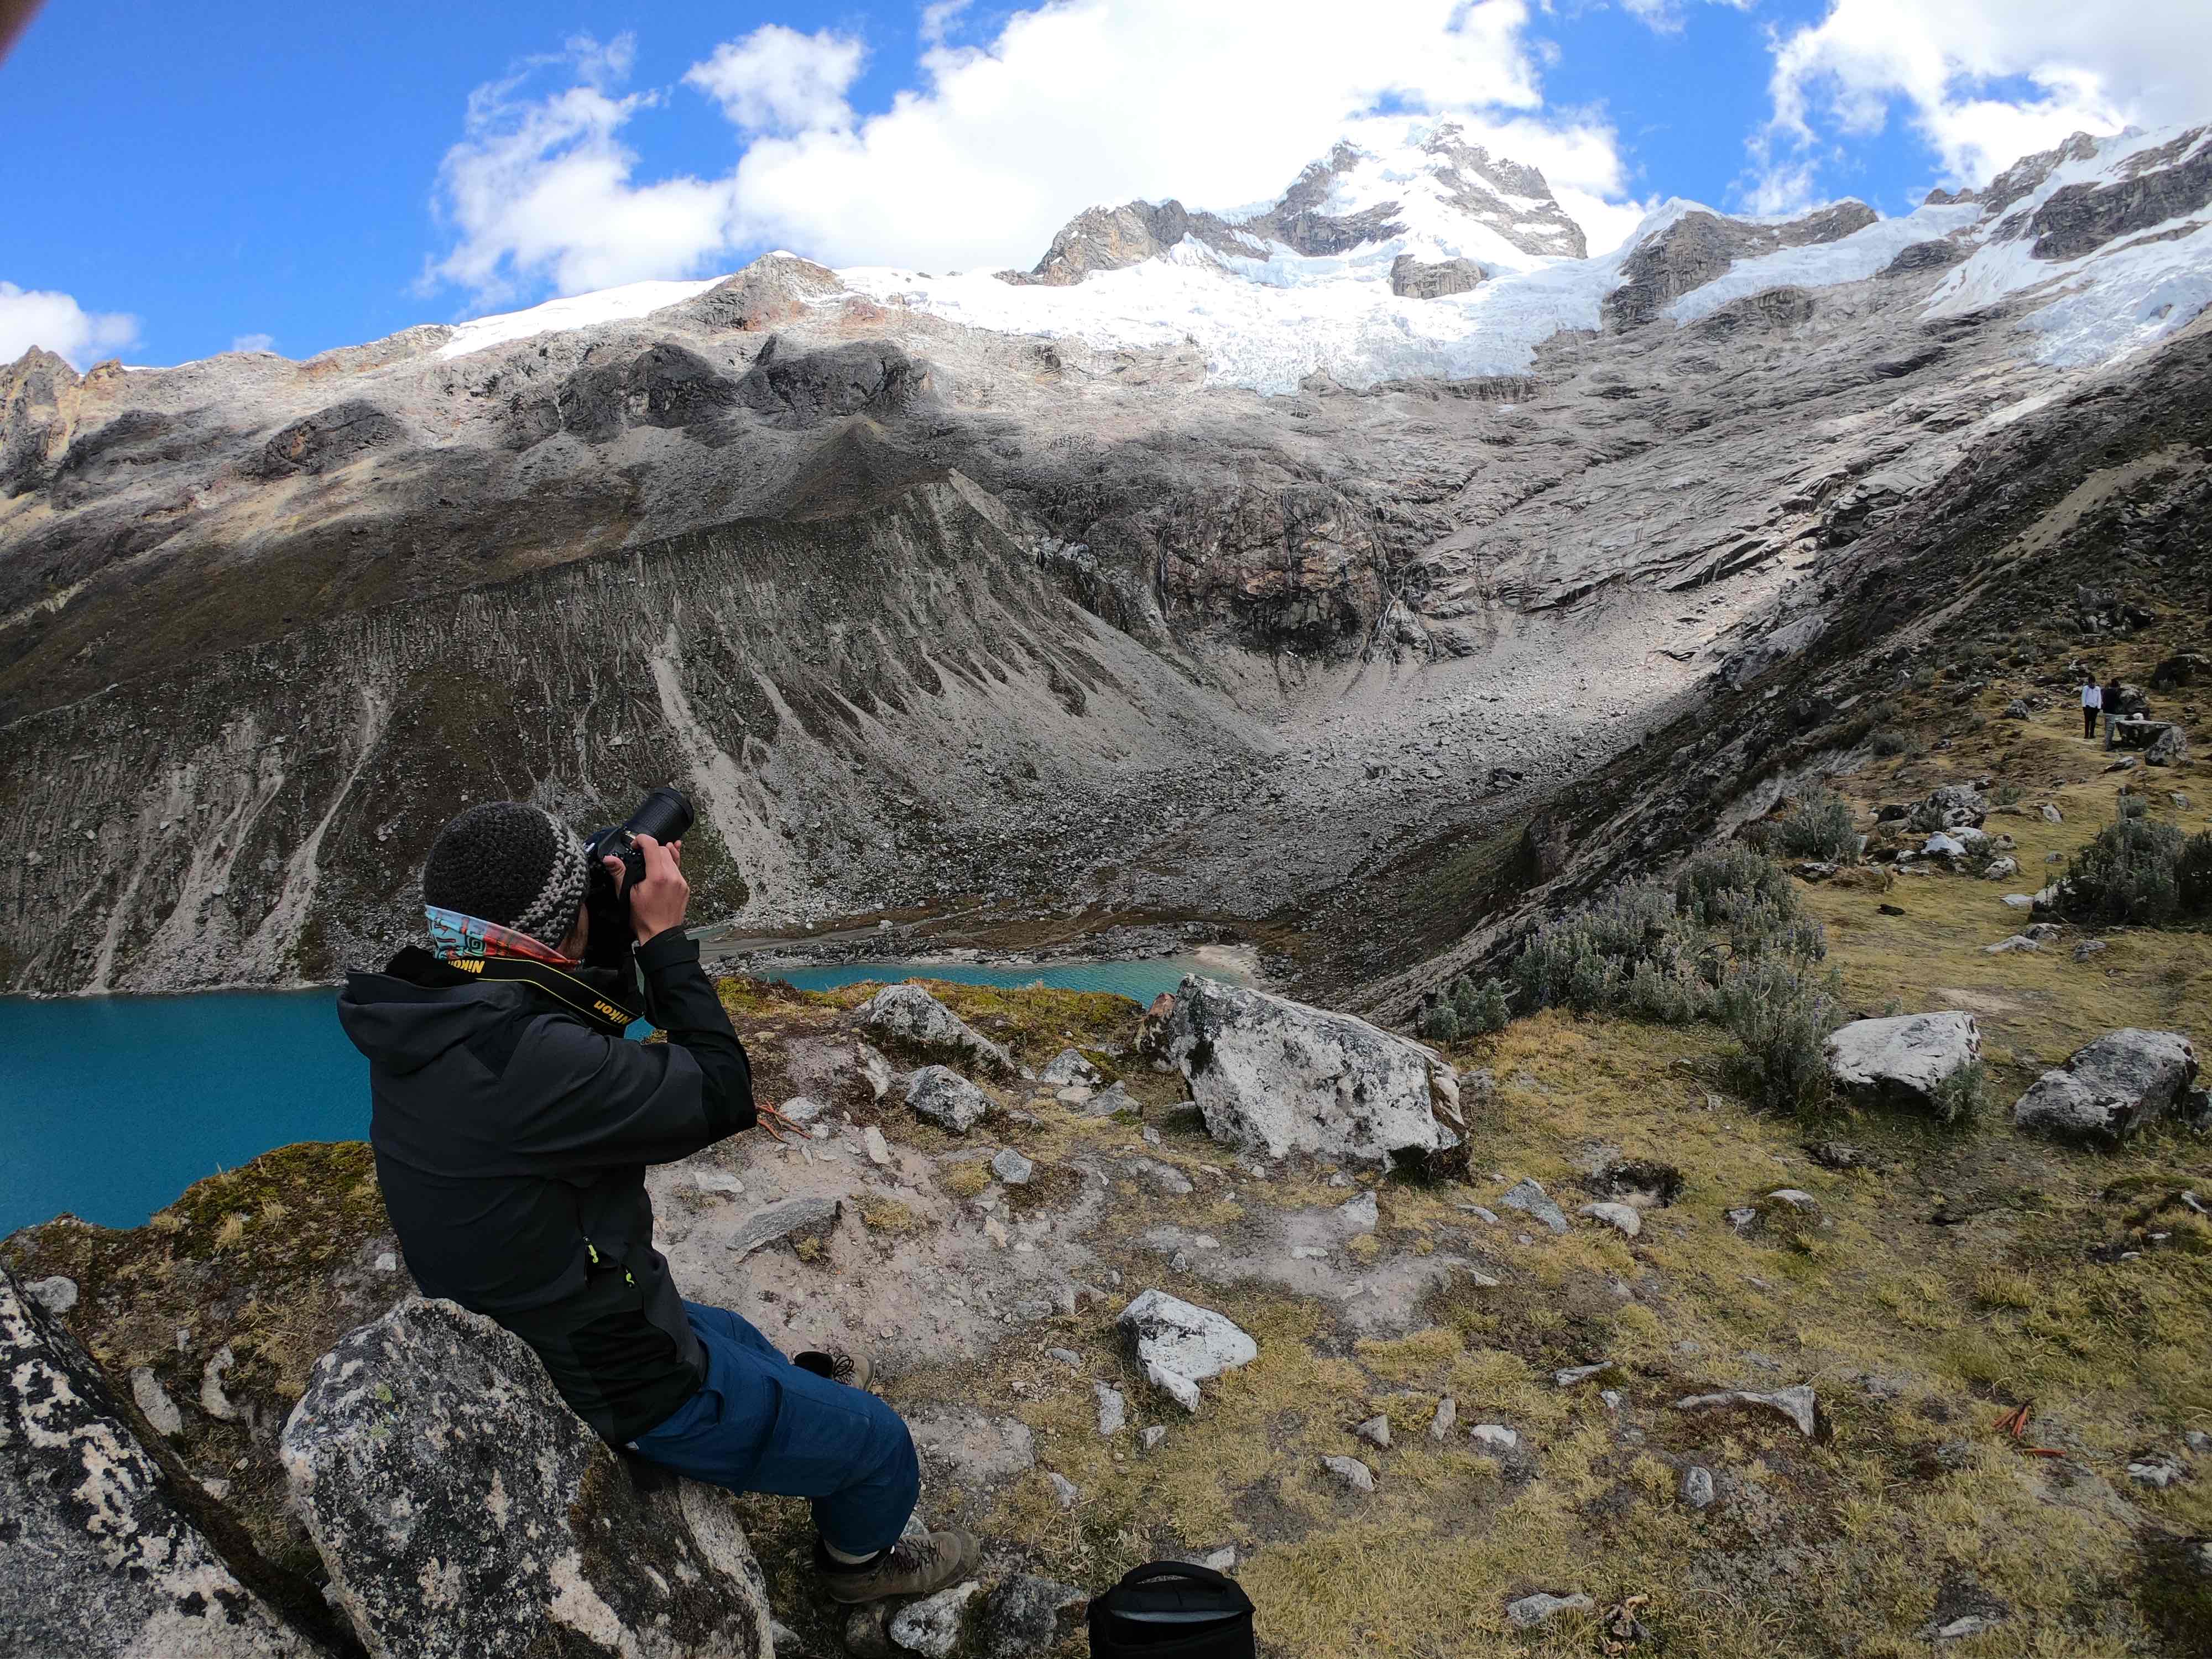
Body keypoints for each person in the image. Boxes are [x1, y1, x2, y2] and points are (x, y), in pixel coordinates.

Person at [336, 800, 977, 1603]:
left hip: (532, 1321)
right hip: (612, 1375)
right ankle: (857, 1571)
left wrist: (591, 924)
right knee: (883, 1446)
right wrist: (662, 941)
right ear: (559, 925)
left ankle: (787, 1414)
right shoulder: (531, 1064)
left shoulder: (430, 1008)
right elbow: (720, 1089)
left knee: (743, 1334)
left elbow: (580, 1018)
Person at [2080, 675, 2101, 739]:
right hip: (2088, 706)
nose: (2092, 684)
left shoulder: (2098, 688)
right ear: (2089, 683)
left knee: (2093, 721)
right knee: (2087, 721)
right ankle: (2086, 735)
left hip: (2095, 707)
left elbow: (2099, 698)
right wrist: (2084, 706)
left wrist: (2099, 707)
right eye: (2091, 683)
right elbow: (2083, 697)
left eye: (2093, 683)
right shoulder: (2086, 688)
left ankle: (2092, 734)